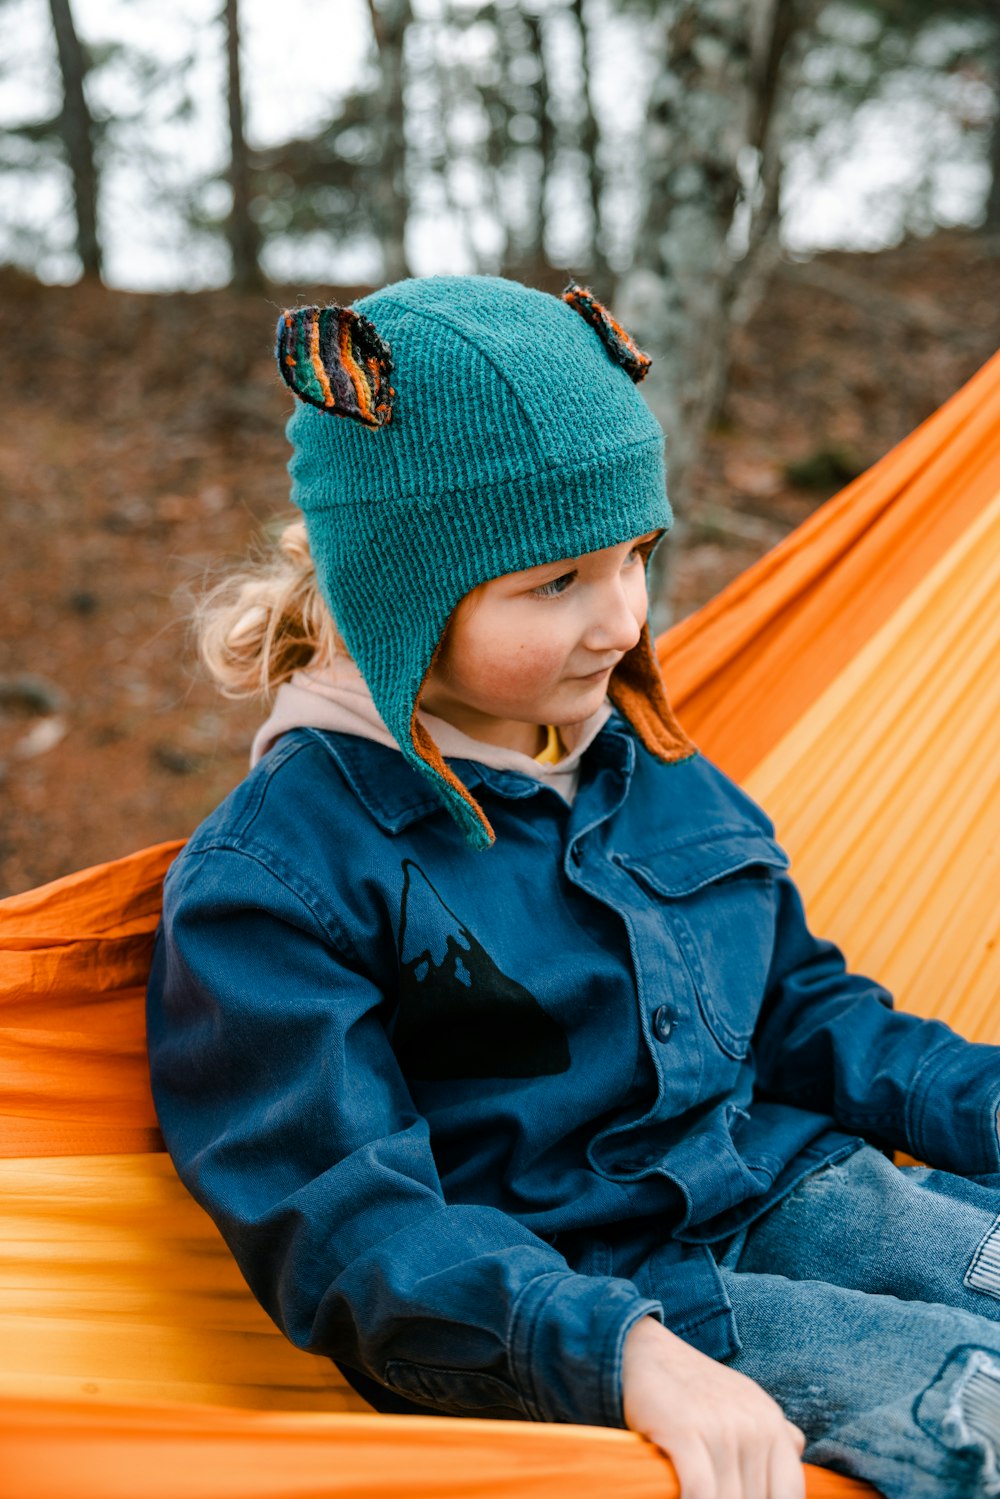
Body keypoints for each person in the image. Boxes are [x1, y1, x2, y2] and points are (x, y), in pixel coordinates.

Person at [146, 274, 1000, 1499]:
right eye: (555, 582)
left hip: (801, 1190)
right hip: (601, 1299)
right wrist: (622, 1356)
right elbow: (346, 1225)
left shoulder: (648, 762)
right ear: (403, 597)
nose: (621, 620)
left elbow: (808, 1015)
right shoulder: (277, 879)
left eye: (636, 556)